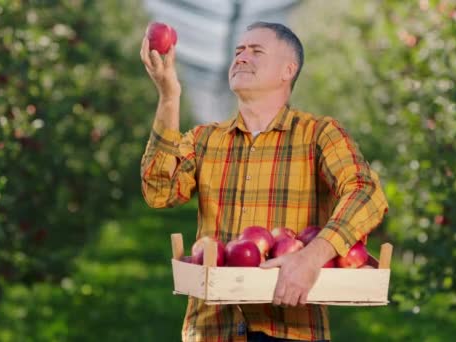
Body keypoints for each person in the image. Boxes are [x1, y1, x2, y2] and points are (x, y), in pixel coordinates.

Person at [140, 21, 388, 342]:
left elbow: (366, 193)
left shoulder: (318, 134)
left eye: (256, 51)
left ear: (288, 70)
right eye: (238, 50)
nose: (241, 57)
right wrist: (169, 97)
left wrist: (311, 257)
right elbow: (159, 192)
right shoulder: (204, 139)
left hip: (291, 326)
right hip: (214, 327)